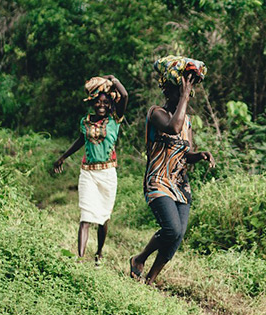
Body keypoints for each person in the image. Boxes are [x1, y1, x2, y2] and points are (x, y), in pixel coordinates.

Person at [129, 56, 215, 285]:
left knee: (178, 235)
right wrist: (184, 96)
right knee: (171, 229)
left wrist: (200, 155)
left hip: (180, 184)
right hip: (157, 181)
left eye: (187, 94)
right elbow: (172, 127)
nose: (185, 98)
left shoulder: (187, 122)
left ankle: (151, 279)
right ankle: (139, 259)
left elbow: (185, 152)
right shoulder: (156, 113)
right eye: (181, 93)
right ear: (168, 92)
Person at [52, 75, 128, 266]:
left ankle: (99, 253)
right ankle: (79, 258)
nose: (101, 105)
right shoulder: (84, 122)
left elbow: (125, 95)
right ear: (92, 103)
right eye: (97, 102)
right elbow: (81, 141)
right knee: (85, 216)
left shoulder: (114, 120)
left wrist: (113, 79)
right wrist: (63, 157)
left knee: (103, 218)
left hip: (108, 174)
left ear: (110, 104)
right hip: (88, 173)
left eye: (105, 102)